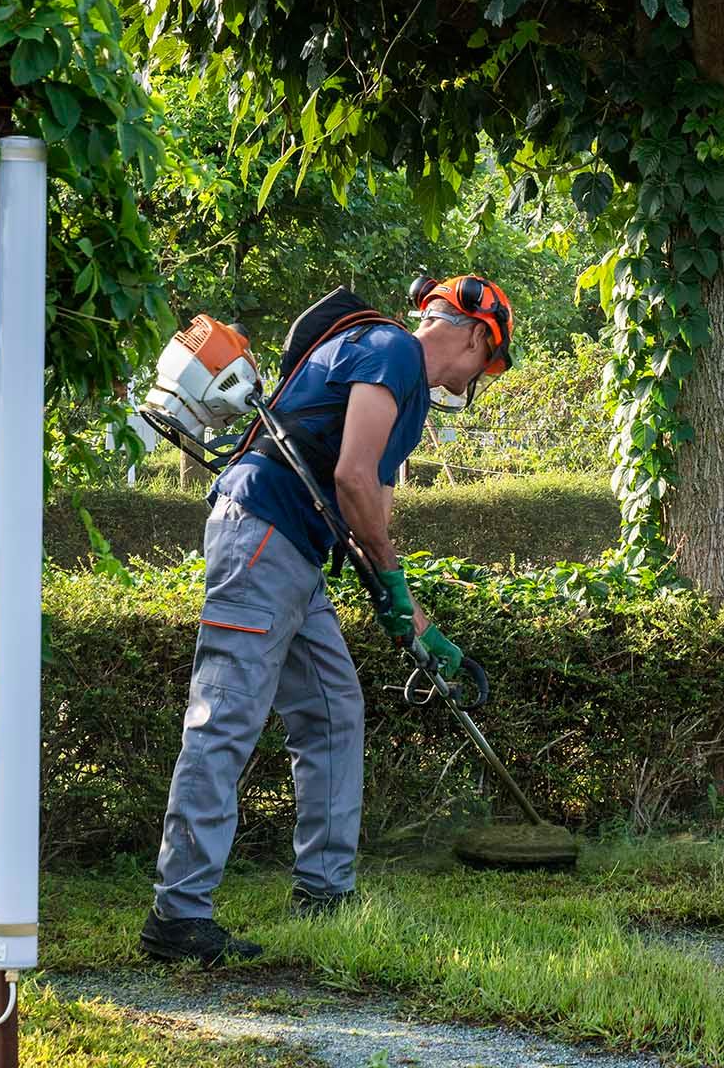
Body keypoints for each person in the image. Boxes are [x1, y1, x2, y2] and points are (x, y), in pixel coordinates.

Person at [141, 275, 514, 966]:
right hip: (263, 536)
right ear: (471, 332)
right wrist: (394, 578)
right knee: (223, 717)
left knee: (333, 710)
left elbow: (370, 506)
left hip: (296, 551)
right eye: (483, 364)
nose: (472, 379)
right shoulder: (392, 351)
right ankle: (179, 914)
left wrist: (414, 616)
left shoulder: (391, 375)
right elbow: (351, 478)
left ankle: (325, 890)